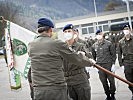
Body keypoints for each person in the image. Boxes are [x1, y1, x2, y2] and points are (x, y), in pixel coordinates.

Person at [28, 18, 94, 100]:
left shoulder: (31, 45)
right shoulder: (56, 43)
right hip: (55, 88)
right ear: (50, 30)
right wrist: (90, 62)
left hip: (39, 89)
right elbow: (75, 58)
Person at [62, 24, 93, 100]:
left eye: (69, 31)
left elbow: (90, 58)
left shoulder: (80, 46)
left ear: (74, 33)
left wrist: (84, 55)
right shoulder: (61, 47)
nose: (67, 33)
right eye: (65, 32)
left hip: (79, 79)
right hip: (66, 81)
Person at [91, 30, 116, 100]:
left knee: (111, 81)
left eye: (100, 34)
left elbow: (113, 54)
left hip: (108, 64)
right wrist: (95, 65)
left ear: (102, 34)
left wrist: (113, 64)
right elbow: (93, 56)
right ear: (96, 36)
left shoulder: (109, 43)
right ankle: (108, 95)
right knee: (103, 81)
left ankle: (113, 94)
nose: (99, 35)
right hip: (100, 66)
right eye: (97, 34)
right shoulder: (94, 45)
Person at [117, 24, 133, 100]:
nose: (126, 31)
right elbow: (119, 54)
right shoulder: (121, 42)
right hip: (127, 63)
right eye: (125, 29)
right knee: (129, 81)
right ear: (123, 31)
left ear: (130, 30)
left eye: (127, 29)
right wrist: (121, 64)